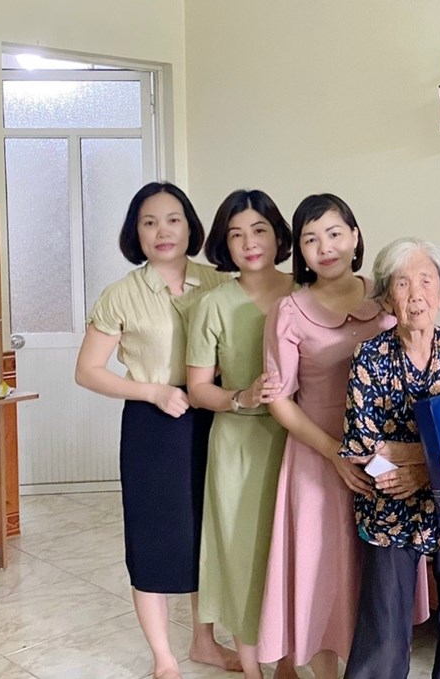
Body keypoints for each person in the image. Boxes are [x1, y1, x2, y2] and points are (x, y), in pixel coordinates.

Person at [258, 196, 426, 679]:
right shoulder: (288, 311)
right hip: (317, 456)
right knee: (323, 575)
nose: (325, 247)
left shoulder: (387, 295)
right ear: (300, 250)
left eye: (334, 234)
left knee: (378, 574)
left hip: (385, 457)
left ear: (355, 236)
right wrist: (335, 454)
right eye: (311, 239)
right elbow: (280, 400)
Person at [74, 181, 236, 679]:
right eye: (149, 222)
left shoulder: (218, 284)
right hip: (153, 425)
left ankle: (205, 642)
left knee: (205, 533)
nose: (162, 231)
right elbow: (88, 371)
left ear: (190, 227)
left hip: (214, 416)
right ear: (135, 233)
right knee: (153, 539)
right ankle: (164, 657)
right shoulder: (121, 294)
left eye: (173, 220)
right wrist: (152, 392)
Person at [340, 238, 440, 679]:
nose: (416, 294)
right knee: (383, 628)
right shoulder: (369, 357)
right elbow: (366, 446)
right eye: (402, 284)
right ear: (387, 299)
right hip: (389, 499)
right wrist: (425, 460)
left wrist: (422, 468)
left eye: (426, 281)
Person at [185, 190, 297, 679]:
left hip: (298, 441)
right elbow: (196, 389)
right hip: (237, 444)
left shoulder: (303, 292)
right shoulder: (213, 304)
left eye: (259, 230)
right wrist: (242, 397)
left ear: (278, 236)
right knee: (242, 556)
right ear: (223, 244)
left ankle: (288, 662)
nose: (249, 243)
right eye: (236, 234)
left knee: (290, 551)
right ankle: (252, 667)